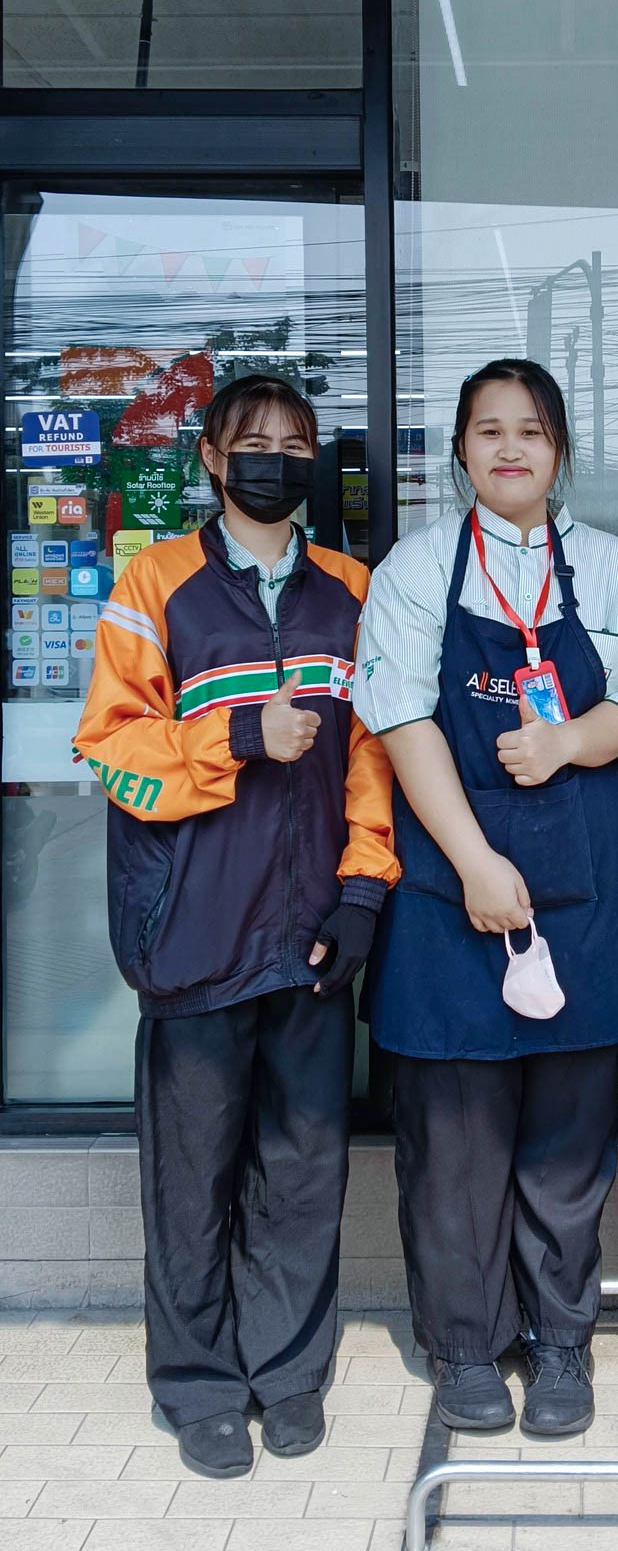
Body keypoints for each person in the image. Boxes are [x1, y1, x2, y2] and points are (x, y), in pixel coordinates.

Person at [74, 374, 399, 1479]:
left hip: (310, 934)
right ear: (211, 458)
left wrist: (363, 891)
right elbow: (112, 749)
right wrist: (238, 738)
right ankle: (199, 1382)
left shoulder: (351, 589)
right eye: (253, 442)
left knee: (302, 1170)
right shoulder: (154, 582)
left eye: (294, 444)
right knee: (193, 1176)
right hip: (195, 932)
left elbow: (374, 757)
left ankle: (289, 1373)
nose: (274, 459)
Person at [353, 358, 618, 1439]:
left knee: (568, 1147)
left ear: (559, 449)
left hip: (586, 895)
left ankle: (560, 1342)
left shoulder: (612, 568)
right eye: (488, 429)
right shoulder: (416, 569)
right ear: (459, 450)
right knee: (455, 1146)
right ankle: (464, 1348)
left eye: (530, 430)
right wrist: (477, 862)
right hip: (452, 893)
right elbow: (403, 721)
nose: (509, 448)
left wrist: (569, 740)